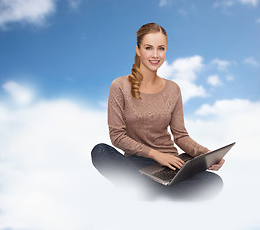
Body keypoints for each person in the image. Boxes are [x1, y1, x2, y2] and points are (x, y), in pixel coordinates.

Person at [91, 23, 225, 201]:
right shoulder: (120, 86)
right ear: (138, 50)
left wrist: (206, 154)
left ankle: (149, 192)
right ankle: (158, 192)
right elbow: (117, 137)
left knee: (213, 182)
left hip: (171, 165)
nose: (155, 55)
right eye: (149, 48)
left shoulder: (173, 89)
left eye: (161, 49)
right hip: (136, 164)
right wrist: (155, 155)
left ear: (166, 50)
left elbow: (180, 136)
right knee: (100, 152)